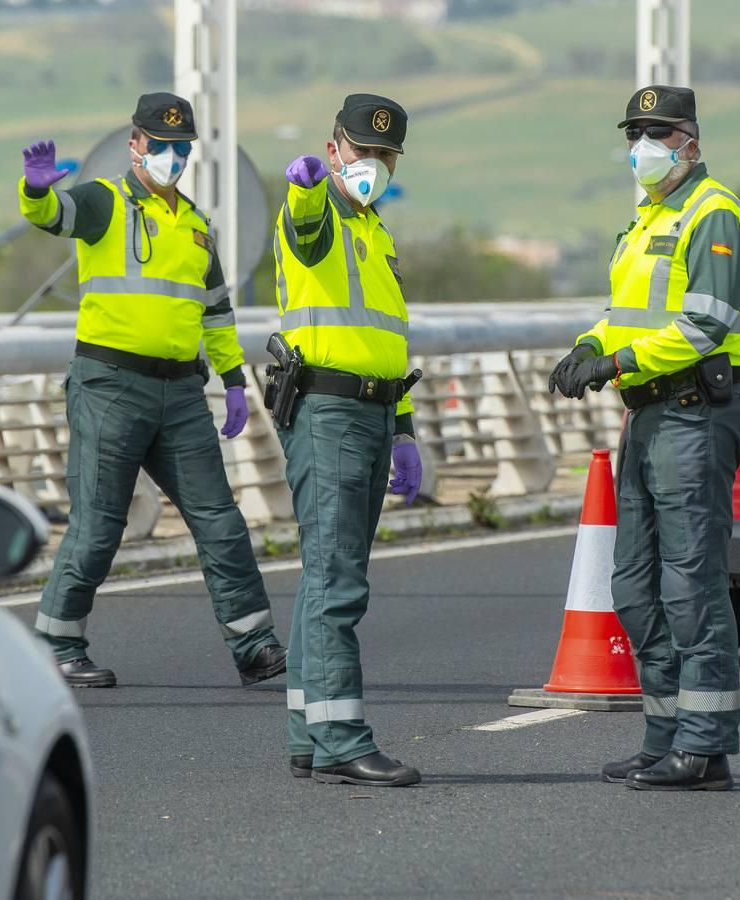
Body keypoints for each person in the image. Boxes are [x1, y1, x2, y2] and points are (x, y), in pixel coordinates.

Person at [18, 92, 286, 689]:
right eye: (158, 144)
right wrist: (36, 190)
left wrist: (236, 379)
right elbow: (52, 216)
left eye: (179, 147)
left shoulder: (195, 226)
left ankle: (255, 644)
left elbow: (215, 312)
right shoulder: (103, 202)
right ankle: (57, 645)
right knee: (99, 523)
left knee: (219, 518)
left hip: (181, 394)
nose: (169, 155)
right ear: (135, 143)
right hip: (110, 385)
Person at [550, 85, 740, 791]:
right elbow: (625, 313)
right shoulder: (646, 220)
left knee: (691, 585)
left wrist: (618, 363)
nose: (644, 146)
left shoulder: (714, 214)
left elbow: (702, 326)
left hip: (696, 412)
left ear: (690, 143)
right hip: (651, 415)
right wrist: (589, 345)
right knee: (636, 586)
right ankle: (664, 733)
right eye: (636, 132)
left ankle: (704, 748)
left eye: (659, 133)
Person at [269, 94, 424, 787]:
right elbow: (303, 231)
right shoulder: (319, 209)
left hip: (371, 411)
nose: (373, 165)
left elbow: (389, 339)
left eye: (385, 156)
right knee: (337, 581)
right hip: (328, 411)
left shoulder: (376, 229)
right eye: (361, 152)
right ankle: (341, 735)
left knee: (323, 579)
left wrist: (406, 428)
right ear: (334, 150)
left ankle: (308, 730)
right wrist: (304, 190)